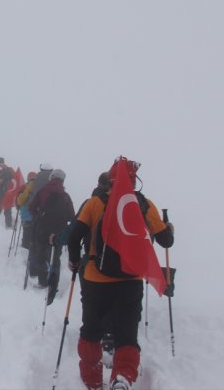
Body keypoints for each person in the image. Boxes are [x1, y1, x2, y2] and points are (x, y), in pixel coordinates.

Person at [66, 159, 174, 390]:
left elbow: (75, 237)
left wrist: (75, 262)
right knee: (126, 336)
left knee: (91, 331)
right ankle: (122, 377)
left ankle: (93, 381)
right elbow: (166, 240)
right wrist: (169, 228)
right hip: (131, 280)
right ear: (135, 180)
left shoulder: (95, 203)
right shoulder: (144, 204)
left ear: (110, 178)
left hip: (96, 280)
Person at [28, 169, 75, 290]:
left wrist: (39, 214)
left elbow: (32, 208)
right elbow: (72, 216)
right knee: (55, 258)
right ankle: (53, 285)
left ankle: (42, 281)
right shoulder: (65, 196)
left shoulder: (43, 191)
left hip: (42, 230)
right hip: (58, 233)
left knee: (41, 255)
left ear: (52, 177)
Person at [16, 171, 38, 249]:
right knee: (33, 232)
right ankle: (31, 246)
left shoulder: (26, 186)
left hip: (26, 211)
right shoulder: (39, 186)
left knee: (26, 231)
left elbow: (21, 199)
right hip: (36, 212)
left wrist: (18, 203)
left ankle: (25, 246)